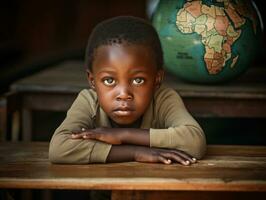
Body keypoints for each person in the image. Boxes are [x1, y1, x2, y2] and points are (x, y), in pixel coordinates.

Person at [49, 16, 206, 166]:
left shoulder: (163, 99)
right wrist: (136, 152)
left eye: (138, 80)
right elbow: (59, 148)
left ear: (157, 79)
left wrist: (123, 135)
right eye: (109, 81)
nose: (124, 94)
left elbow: (195, 142)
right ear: (92, 80)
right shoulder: (89, 101)